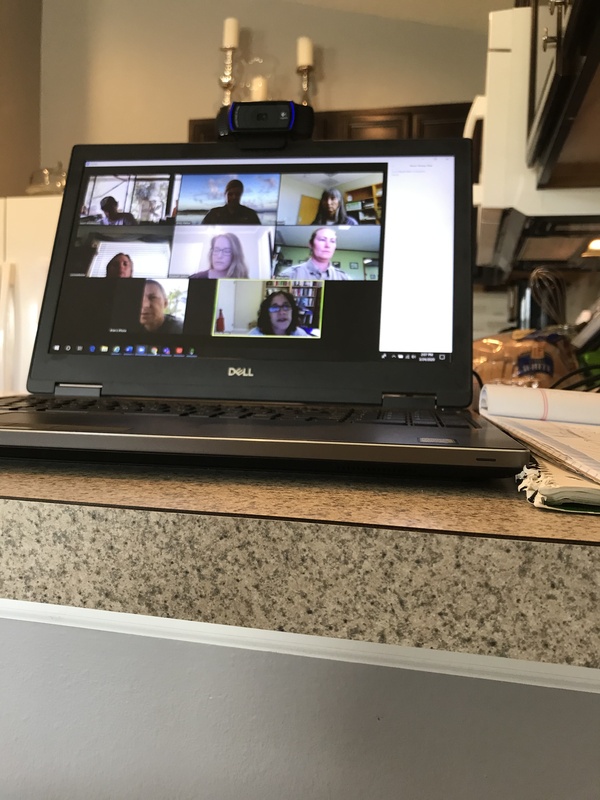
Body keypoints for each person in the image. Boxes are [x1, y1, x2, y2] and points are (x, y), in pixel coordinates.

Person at [278, 228, 349, 280]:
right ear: (311, 244)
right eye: (322, 240)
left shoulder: (344, 277)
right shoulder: (289, 274)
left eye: (332, 241)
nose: (328, 245)